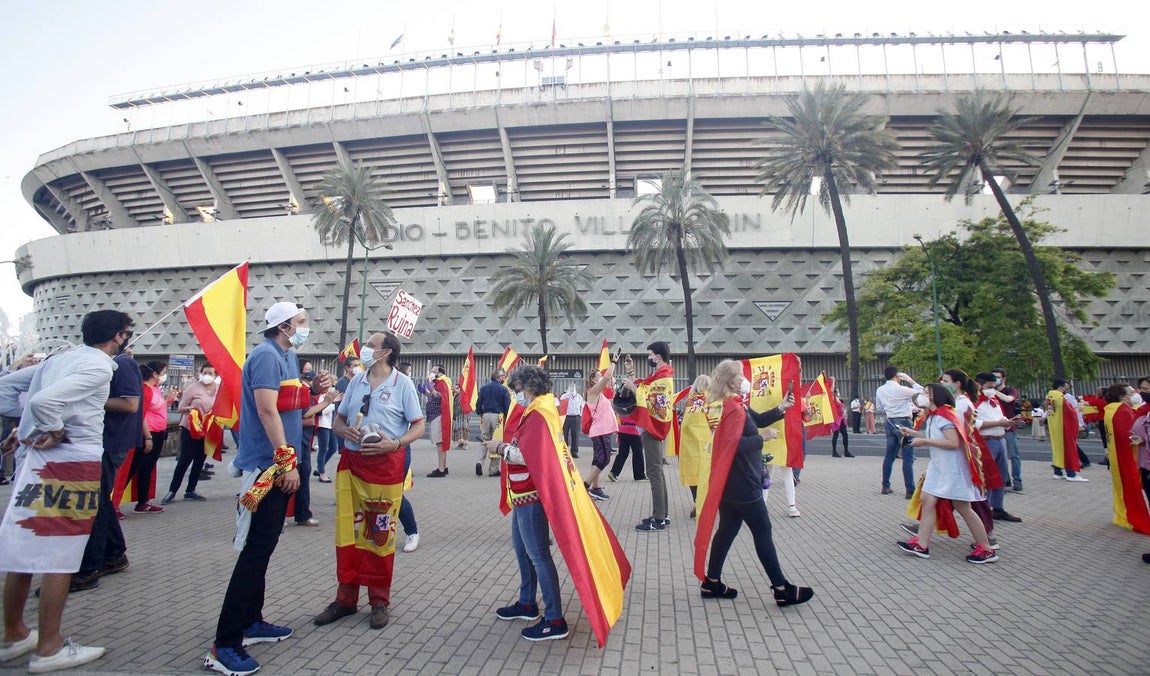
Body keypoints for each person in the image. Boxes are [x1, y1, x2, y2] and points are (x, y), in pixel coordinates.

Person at [0, 310, 131, 673]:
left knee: (23, 554)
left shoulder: (58, 360)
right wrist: (54, 429)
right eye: (127, 334)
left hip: (35, 463)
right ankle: (49, 647)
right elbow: (45, 403)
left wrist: (25, 427)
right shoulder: (101, 367)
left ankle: (13, 634)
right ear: (118, 337)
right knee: (61, 556)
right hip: (72, 463)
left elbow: (9, 390)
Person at [204, 300, 329, 675]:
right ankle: (225, 642)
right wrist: (286, 462)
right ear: (285, 326)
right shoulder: (265, 356)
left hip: (277, 467)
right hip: (265, 471)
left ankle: (251, 621)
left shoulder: (288, 358)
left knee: (265, 543)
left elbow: (291, 407)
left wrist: (315, 392)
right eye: (301, 321)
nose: (306, 326)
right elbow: (266, 411)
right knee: (254, 549)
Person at [312, 332, 425, 631]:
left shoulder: (403, 384)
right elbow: (339, 419)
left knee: (379, 535)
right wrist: (342, 430)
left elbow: (419, 425)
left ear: (386, 352)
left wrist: (396, 444)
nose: (363, 349)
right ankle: (345, 600)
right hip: (351, 465)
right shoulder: (355, 381)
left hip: (386, 467)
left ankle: (379, 601)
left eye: (370, 345)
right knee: (348, 532)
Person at [692, 360, 812, 605]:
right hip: (744, 481)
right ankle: (781, 588)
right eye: (739, 375)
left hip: (730, 481)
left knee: (726, 531)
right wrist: (762, 439)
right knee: (762, 531)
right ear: (729, 380)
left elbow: (755, 420)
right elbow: (730, 445)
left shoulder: (728, 404)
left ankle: (712, 582)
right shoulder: (732, 407)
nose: (744, 379)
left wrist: (782, 408)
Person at [482, 366, 572, 641]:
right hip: (523, 492)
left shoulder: (539, 413)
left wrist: (500, 449)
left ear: (530, 387)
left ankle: (555, 618)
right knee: (523, 550)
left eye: (518, 389)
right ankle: (527, 602)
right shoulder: (541, 408)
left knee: (538, 556)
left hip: (531, 492)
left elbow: (531, 455)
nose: (516, 395)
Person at [895, 383, 998, 564]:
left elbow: (953, 443)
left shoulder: (945, 415)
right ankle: (921, 544)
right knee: (927, 501)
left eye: (926, 393)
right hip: (939, 467)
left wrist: (925, 442)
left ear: (936, 396)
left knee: (963, 507)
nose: (922, 396)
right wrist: (913, 433)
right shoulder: (934, 416)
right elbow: (936, 436)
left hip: (953, 469)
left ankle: (986, 548)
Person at [72, 335, 144, 591]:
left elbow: (131, 404)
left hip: (110, 442)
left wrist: (89, 399)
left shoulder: (123, 364)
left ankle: (89, 567)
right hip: (106, 442)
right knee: (101, 500)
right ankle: (114, 554)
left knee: (98, 502)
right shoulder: (115, 363)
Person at [621, 342, 675, 532]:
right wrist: (631, 372)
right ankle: (663, 514)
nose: (649, 358)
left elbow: (649, 397)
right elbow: (645, 389)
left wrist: (632, 387)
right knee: (657, 472)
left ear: (657, 357)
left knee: (654, 472)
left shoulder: (664, 376)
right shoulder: (658, 375)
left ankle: (659, 518)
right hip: (651, 427)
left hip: (653, 428)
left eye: (650, 355)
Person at [161, 364, 218, 504]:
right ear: (200, 373)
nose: (207, 375)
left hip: (207, 429)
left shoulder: (218, 390)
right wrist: (188, 409)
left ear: (215, 375)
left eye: (210, 373)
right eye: (205, 372)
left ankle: (191, 490)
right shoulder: (193, 388)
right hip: (190, 428)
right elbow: (180, 407)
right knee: (185, 460)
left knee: (200, 460)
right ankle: (172, 490)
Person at [973, 373, 1022, 523]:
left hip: (1000, 439)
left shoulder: (993, 400)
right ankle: (984, 509)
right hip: (986, 441)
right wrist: (998, 424)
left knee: (1000, 477)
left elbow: (1000, 418)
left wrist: (1009, 422)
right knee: (987, 476)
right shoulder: (973, 402)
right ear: (979, 385)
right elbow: (975, 423)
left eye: (994, 387)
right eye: (989, 387)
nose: (992, 390)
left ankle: (998, 508)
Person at [1102, 383, 1150, 534]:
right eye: (1131, 393)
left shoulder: (1111, 409)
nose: (1136, 394)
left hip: (1117, 458)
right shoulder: (1122, 411)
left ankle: (1122, 514)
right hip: (1128, 459)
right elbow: (1132, 434)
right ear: (1122, 396)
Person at [125, 361, 172, 514]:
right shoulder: (145, 389)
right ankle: (112, 502)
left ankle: (143, 501)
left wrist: (168, 401)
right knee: (133, 468)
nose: (164, 376)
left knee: (147, 469)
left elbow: (156, 406)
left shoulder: (155, 388)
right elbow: (141, 414)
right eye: (163, 372)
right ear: (155, 374)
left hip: (159, 432)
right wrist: (148, 437)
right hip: (148, 433)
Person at [876, 366, 923, 497]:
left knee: (889, 455)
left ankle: (885, 485)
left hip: (890, 422)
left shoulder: (880, 389)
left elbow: (879, 407)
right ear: (897, 377)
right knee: (907, 457)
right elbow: (922, 392)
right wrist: (910, 380)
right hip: (904, 422)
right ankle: (910, 489)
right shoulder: (901, 389)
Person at [583, 357, 619, 500]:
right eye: (599, 375)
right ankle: (585, 486)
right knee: (604, 459)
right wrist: (614, 362)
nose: (601, 377)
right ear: (593, 380)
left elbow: (611, 401)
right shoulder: (593, 391)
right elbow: (607, 377)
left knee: (597, 458)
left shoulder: (599, 393)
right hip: (599, 431)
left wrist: (613, 386)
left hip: (602, 430)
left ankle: (596, 488)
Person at [676, 375, 712, 518]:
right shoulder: (709, 399)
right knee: (705, 473)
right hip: (704, 440)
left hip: (688, 443)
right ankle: (704, 503)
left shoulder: (690, 400)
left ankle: (697, 501)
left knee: (692, 474)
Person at [990, 367, 1024, 492]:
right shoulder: (989, 394)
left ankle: (1017, 480)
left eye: (997, 377)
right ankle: (1005, 480)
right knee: (1000, 457)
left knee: (1013, 455)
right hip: (996, 428)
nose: (994, 380)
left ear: (1003, 378)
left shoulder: (1010, 390)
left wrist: (993, 391)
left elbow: (1009, 399)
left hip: (1009, 428)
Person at [1046, 379, 1087, 482]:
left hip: (1055, 427)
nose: (1066, 390)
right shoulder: (1060, 398)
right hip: (1064, 427)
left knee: (1057, 450)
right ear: (1060, 387)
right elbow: (1071, 412)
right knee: (1068, 450)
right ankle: (1071, 473)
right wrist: (1079, 409)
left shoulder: (1049, 396)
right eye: (1065, 388)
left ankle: (1058, 472)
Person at [475, 369, 510, 477]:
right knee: (496, 441)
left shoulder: (484, 388)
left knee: (484, 439)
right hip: (498, 416)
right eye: (503, 376)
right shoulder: (503, 389)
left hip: (485, 415)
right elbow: (507, 406)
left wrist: (480, 413)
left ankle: (480, 461)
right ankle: (493, 469)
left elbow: (478, 403)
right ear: (498, 378)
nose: (504, 378)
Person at [418, 365, 452, 477]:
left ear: (440, 372)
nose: (431, 373)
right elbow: (433, 397)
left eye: (434, 371)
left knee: (440, 443)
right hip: (434, 415)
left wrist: (431, 389)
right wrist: (426, 392)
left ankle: (441, 469)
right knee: (440, 443)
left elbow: (440, 397)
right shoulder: (437, 382)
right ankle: (444, 466)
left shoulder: (442, 382)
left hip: (438, 415)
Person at [607, 408, 646, 483]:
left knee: (622, 453)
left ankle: (614, 472)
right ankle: (639, 476)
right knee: (637, 454)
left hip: (623, 428)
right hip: (634, 430)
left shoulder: (621, 401)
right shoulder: (636, 402)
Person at [313, 385, 342, 483]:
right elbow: (321, 411)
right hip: (323, 425)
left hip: (330, 425)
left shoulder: (330, 398)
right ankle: (322, 473)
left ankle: (320, 467)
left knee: (333, 448)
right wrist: (331, 402)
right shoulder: (322, 397)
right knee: (323, 449)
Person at [559, 385, 585, 459]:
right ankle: (565, 451)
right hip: (566, 417)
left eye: (573, 388)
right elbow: (561, 405)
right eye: (571, 388)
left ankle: (574, 452)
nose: (572, 390)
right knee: (564, 435)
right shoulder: (564, 396)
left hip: (576, 417)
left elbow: (582, 407)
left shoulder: (579, 397)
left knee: (575, 435)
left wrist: (580, 416)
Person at [830, 390, 854, 458]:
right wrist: (833, 381)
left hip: (842, 419)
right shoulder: (833, 399)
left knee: (845, 435)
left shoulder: (839, 399)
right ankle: (834, 452)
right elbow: (831, 392)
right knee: (836, 435)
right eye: (836, 392)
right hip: (836, 419)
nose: (838, 393)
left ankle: (846, 451)